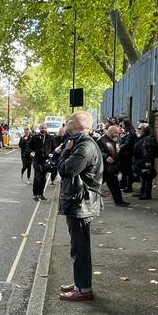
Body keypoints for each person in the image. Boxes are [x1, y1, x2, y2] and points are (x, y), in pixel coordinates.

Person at [57, 111, 104, 301]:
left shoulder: (84, 146)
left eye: (69, 119)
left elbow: (66, 170)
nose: (66, 122)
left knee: (80, 248)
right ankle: (79, 283)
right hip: (79, 201)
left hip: (81, 203)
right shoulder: (82, 143)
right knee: (77, 247)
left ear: (77, 123)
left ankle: (83, 289)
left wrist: (65, 152)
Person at [97, 125, 130, 206]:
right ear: (110, 131)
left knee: (114, 185)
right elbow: (98, 151)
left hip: (113, 167)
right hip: (104, 167)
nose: (117, 134)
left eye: (117, 132)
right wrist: (106, 156)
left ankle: (119, 201)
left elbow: (117, 150)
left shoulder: (116, 139)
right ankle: (84, 195)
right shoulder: (101, 140)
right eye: (115, 132)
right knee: (97, 184)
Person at [132, 121, 158, 199]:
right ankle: (142, 192)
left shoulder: (150, 138)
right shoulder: (143, 137)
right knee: (143, 177)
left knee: (147, 176)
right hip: (140, 159)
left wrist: (148, 161)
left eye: (140, 128)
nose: (138, 130)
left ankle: (147, 193)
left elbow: (150, 150)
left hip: (145, 160)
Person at [29, 124, 47, 200]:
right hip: (36, 159)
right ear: (39, 129)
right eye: (42, 128)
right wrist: (31, 152)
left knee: (43, 178)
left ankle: (41, 193)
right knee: (37, 177)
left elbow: (53, 148)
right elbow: (29, 146)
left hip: (45, 161)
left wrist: (51, 154)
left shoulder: (50, 138)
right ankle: (35, 194)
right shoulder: (34, 137)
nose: (43, 129)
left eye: (45, 128)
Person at [117, 118, 136, 192]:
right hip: (124, 155)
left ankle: (128, 186)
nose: (122, 125)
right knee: (124, 171)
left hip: (127, 155)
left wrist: (121, 146)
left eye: (123, 124)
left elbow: (127, 144)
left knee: (128, 171)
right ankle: (123, 184)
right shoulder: (127, 132)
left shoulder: (131, 133)